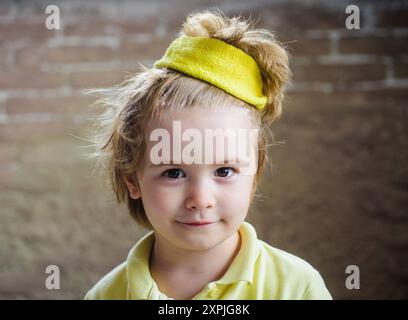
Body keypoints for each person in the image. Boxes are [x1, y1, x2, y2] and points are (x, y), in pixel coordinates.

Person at [84, 10, 332, 300]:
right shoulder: (106, 296)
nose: (200, 199)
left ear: (255, 174)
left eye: (224, 171)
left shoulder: (296, 288)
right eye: (173, 172)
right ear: (132, 179)